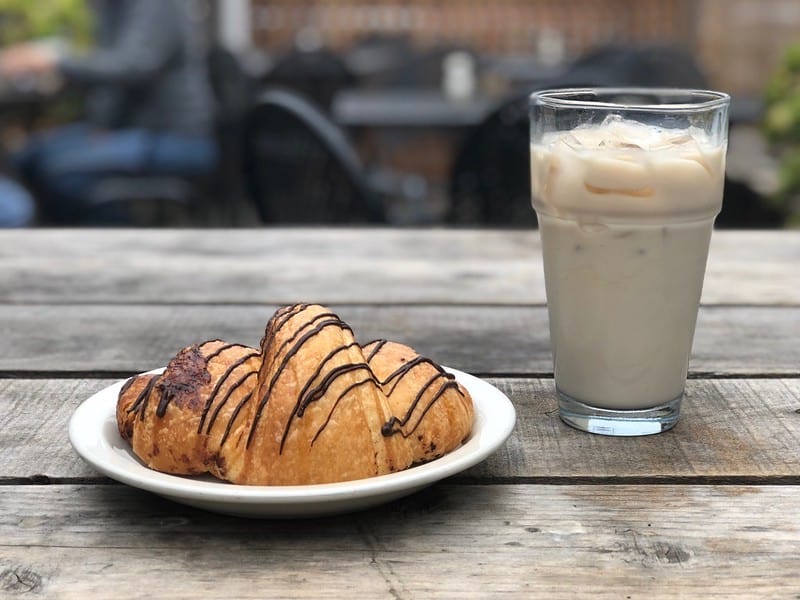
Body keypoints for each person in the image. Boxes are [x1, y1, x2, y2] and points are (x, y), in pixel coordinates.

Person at [0, 0, 217, 224]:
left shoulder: (157, 4)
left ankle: (115, 241)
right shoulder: (112, 6)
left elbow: (134, 66)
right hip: (125, 130)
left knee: (59, 170)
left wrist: (54, 61)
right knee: (30, 156)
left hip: (172, 137)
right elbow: (110, 72)